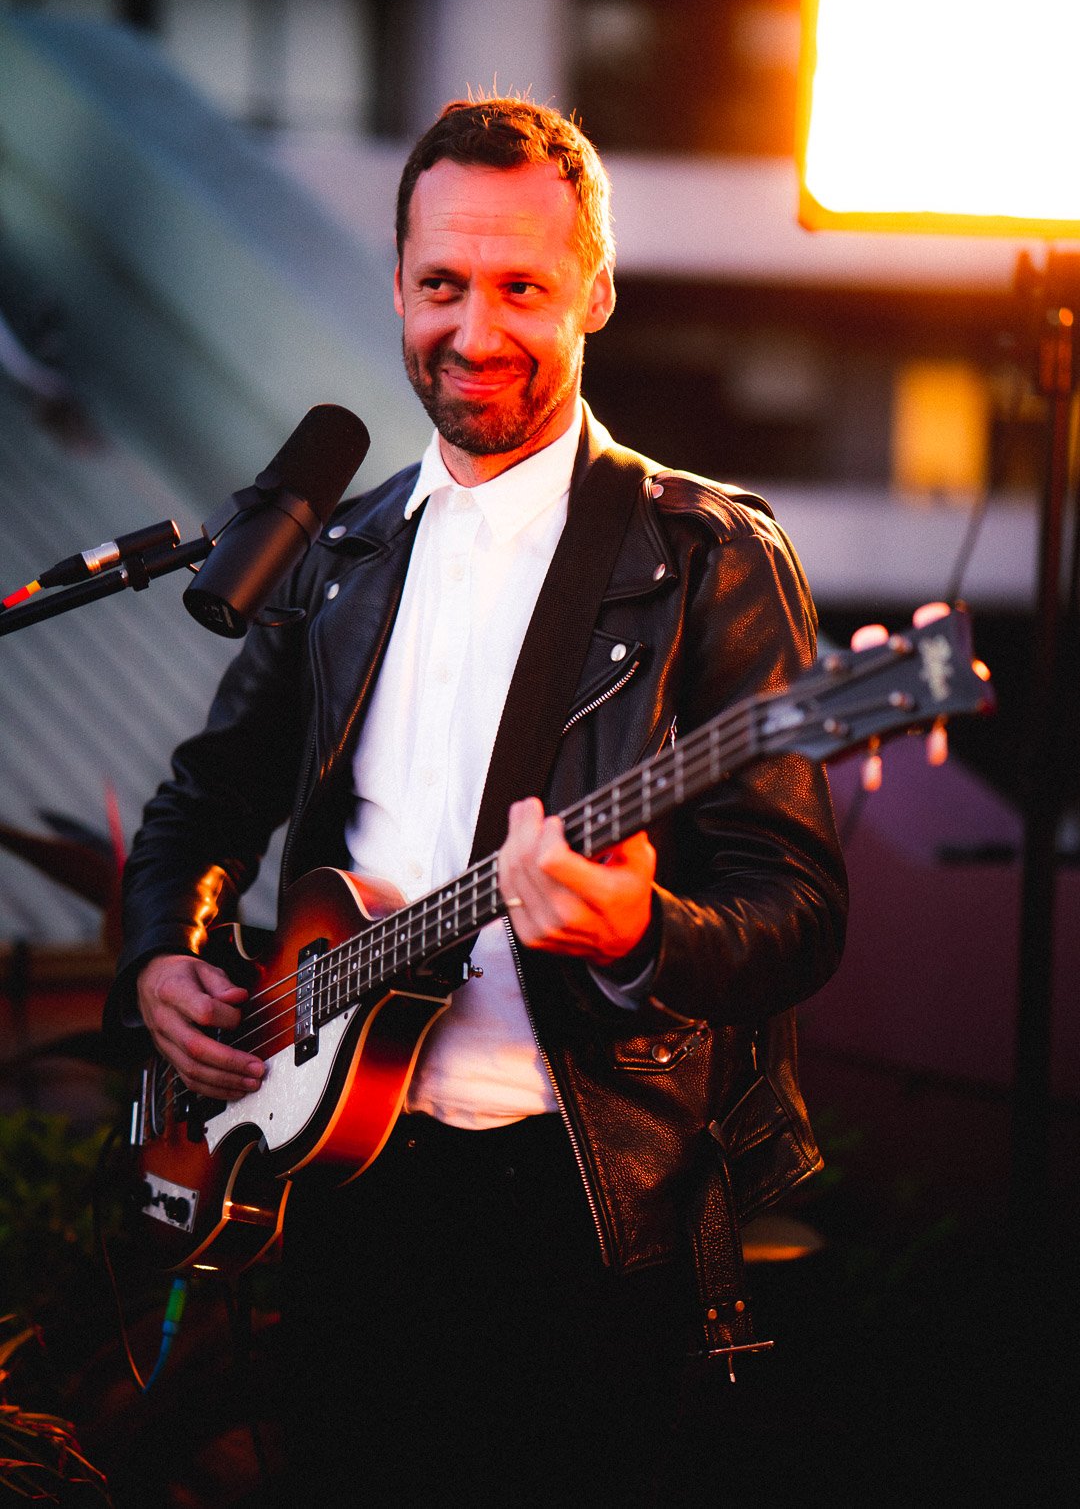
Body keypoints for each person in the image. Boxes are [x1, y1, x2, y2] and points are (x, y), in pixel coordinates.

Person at [107, 97, 847, 1507]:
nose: (477, 330)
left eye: (524, 288)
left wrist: (638, 931)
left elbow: (796, 911)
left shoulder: (706, 557)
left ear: (596, 294)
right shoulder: (338, 556)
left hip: (583, 1202)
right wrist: (161, 957)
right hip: (335, 1183)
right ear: (398, 286)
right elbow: (205, 803)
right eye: (442, 285)